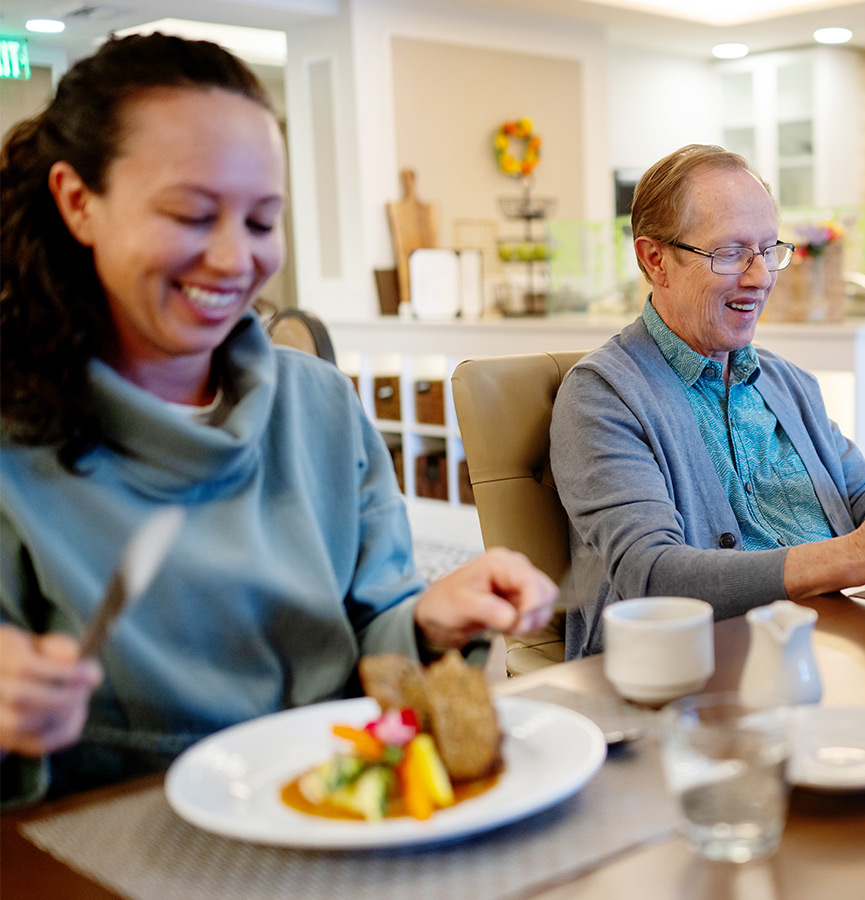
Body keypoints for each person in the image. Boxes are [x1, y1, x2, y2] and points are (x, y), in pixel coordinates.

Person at [0, 34, 556, 806]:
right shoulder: (14, 439)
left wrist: (427, 620)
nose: (234, 260)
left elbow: (373, 634)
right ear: (76, 201)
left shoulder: (318, 404)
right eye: (193, 214)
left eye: (262, 222)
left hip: (337, 818)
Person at [550, 144, 865, 658]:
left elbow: (864, 506)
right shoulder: (603, 396)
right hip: (695, 676)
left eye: (769, 250)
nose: (760, 276)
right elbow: (654, 577)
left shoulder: (788, 384)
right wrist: (858, 553)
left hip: (830, 649)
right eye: (729, 253)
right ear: (655, 260)